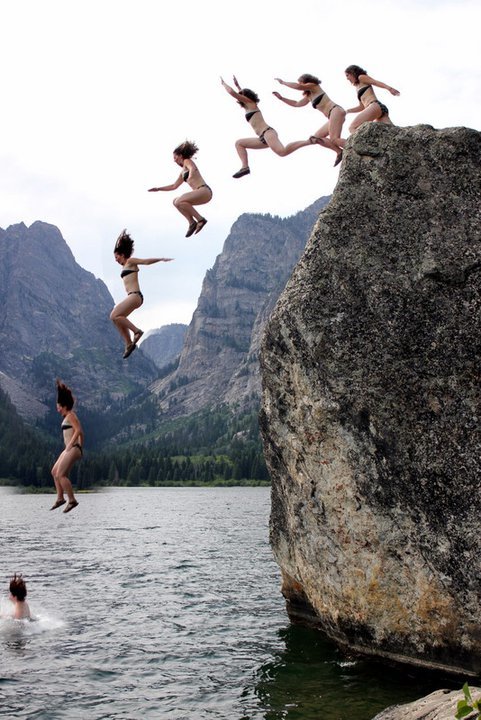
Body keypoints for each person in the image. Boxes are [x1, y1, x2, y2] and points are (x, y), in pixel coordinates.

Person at [221, 75, 320, 178]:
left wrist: (224, 84)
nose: (239, 96)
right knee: (239, 143)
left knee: (282, 152)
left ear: (247, 97)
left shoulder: (251, 103)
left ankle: (309, 141)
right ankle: (245, 167)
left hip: (268, 132)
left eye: (241, 95)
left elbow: (232, 93)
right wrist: (238, 86)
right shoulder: (247, 107)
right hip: (262, 138)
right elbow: (239, 93)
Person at [111, 229, 173, 358]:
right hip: (132, 297)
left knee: (114, 315)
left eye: (116, 257)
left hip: (135, 296)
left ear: (122, 254)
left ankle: (137, 332)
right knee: (117, 319)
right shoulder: (124, 266)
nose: (116, 260)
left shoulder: (130, 261)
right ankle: (128, 343)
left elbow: (145, 262)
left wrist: (160, 259)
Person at [273, 74, 345, 166]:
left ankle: (353, 146)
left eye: (301, 82)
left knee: (334, 139)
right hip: (332, 116)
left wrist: (283, 82)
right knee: (315, 138)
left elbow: (298, 86)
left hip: (335, 110)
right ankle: (339, 152)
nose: (300, 85)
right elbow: (296, 104)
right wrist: (281, 98)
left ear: (305, 81)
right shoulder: (309, 96)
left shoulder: (314, 86)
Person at [148, 141, 212, 237]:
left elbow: (192, 168)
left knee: (179, 201)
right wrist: (158, 188)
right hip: (202, 195)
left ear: (181, 156)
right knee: (176, 202)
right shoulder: (182, 173)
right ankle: (192, 222)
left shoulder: (187, 161)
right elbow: (174, 186)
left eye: (175, 157)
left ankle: (200, 219)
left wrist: (190, 174)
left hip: (204, 190)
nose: (174, 160)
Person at [51, 379, 83, 513]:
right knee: (54, 472)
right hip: (70, 449)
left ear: (63, 405)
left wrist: (73, 445)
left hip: (73, 448)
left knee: (61, 475)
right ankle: (60, 498)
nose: (57, 408)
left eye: (58, 405)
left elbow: (79, 430)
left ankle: (72, 500)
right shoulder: (67, 417)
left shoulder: (71, 415)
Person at [344, 64, 400, 133]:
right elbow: (361, 107)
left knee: (352, 127)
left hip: (374, 105)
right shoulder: (357, 88)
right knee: (392, 133)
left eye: (347, 75)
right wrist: (348, 111)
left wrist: (390, 88)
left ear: (352, 72)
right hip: (378, 110)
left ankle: (362, 144)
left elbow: (375, 82)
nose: (347, 78)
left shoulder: (361, 77)